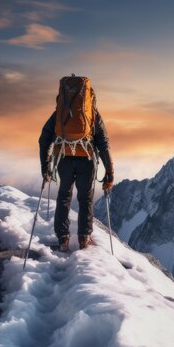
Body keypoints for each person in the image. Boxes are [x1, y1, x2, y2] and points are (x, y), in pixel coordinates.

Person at [38, 76, 113, 252]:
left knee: (64, 196)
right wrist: (109, 171)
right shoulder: (92, 114)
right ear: (89, 96)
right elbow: (103, 143)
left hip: (63, 158)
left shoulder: (59, 113)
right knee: (85, 199)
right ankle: (84, 239)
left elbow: (44, 139)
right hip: (86, 160)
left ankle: (63, 239)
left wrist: (45, 165)